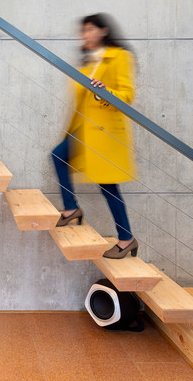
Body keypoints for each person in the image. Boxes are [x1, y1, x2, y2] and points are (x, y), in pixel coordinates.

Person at [51, 13, 138, 259]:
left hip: (105, 134)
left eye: (89, 29)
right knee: (58, 156)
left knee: (108, 186)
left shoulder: (120, 57)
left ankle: (126, 238)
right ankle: (71, 208)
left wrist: (105, 91)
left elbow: (128, 95)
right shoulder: (88, 63)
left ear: (103, 31)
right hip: (85, 131)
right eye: (82, 31)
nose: (84, 35)